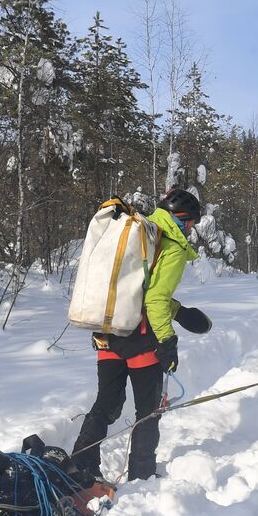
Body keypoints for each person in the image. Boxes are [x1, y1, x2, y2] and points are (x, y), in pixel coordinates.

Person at [72, 188, 200, 481]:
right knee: (148, 410)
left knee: (104, 404)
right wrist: (168, 341)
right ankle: (142, 476)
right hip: (140, 339)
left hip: (108, 331)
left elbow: (139, 291)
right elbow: (154, 299)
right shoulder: (171, 245)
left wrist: (177, 310)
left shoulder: (143, 232)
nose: (192, 229)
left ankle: (80, 467)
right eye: (191, 223)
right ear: (182, 219)